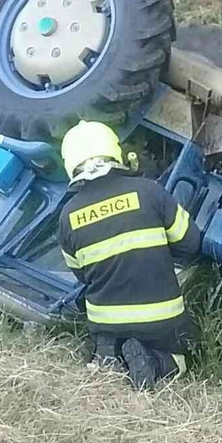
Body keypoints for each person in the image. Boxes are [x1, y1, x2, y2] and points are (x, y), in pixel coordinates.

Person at [58, 120, 200, 389]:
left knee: (111, 340)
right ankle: (154, 361)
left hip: (105, 321)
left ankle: (109, 354)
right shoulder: (149, 191)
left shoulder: (68, 216)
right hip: (160, 318)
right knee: (182, 359)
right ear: (115, 151)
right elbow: (190, 243)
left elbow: (80, 273)